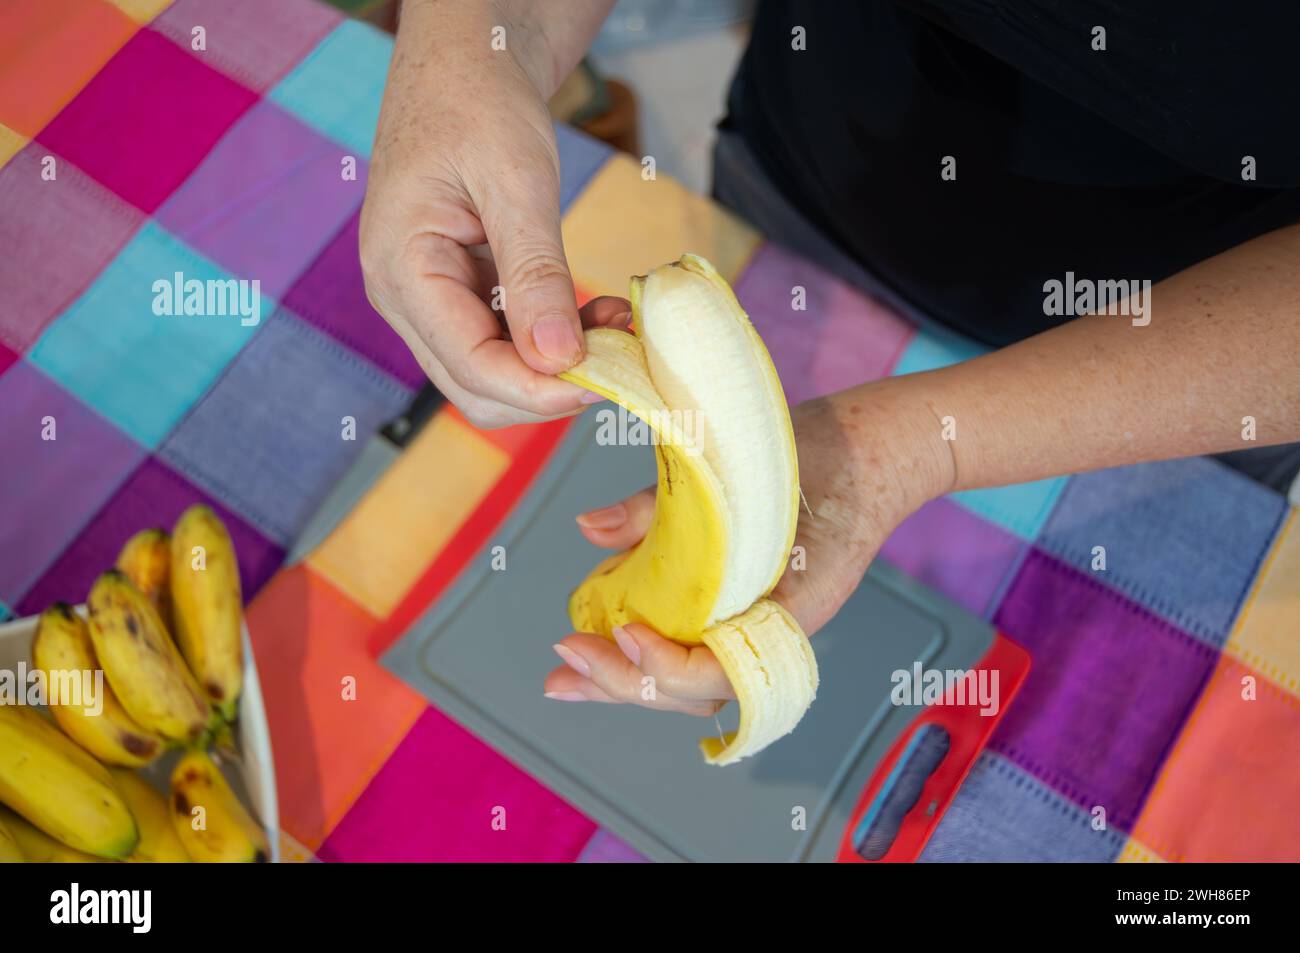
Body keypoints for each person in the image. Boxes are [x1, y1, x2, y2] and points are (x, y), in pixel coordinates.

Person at [360, 0, 1300, 717]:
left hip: (1204, 378)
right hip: (807, 184)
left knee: (1135, 688)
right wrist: (476, 48)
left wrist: (918, 445)